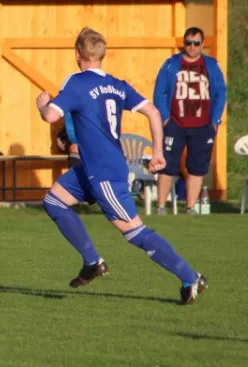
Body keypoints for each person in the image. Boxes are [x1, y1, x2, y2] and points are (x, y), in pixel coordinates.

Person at [36, 27, 207, 305]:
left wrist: (42, 104)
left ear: (77, 53)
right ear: (102, 55)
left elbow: (49, 116)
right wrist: (158, 152)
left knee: (134, 232)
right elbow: (153, 111)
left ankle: (191, 277)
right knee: (54, 201)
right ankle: (92, 262)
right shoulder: (117, 84)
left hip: (103, 172)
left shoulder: (76, 82)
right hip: (95, 167)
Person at [153, 26, 227, 215]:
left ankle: (190, 207)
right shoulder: (171, 65)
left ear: (202, 44)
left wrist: (215, 120)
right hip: (175, 124)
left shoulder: (210, 66)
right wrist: (164, 118)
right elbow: (159, 92)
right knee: (167, 165)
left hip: (202, 125)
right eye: (188, 43)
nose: (192, 47)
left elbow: (220, 93)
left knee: (197, 167)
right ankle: (161, 206)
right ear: (183, 44)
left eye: (196, 43)